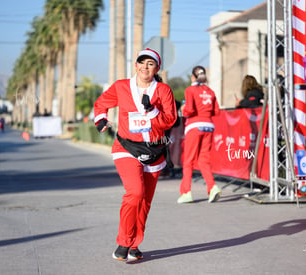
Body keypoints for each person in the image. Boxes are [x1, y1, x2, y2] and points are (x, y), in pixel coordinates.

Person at [93, 48, 177, 262]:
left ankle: (134, 244)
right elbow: (102, 103)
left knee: (145, 202)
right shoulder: (122, 86)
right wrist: (101, 119)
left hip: (155, 150)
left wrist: (153, 112)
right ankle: (123, 241)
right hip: (127, 148)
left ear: (157, 68)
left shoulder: (163, 90)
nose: (145, 67)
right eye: (142, 63)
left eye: (151, 64)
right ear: (136, 65)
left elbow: (170, 120)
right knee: (136, 192)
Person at [177, 66, 221, 204]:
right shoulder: (210, 91)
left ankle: (186, 192)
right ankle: (212, 187)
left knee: (188, 160)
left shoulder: (190, 90)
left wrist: (183, 110)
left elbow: (189, 110)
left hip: (194, 126)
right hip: (208, 126)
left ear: (192, 77)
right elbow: (217, 111)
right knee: (203, 160)